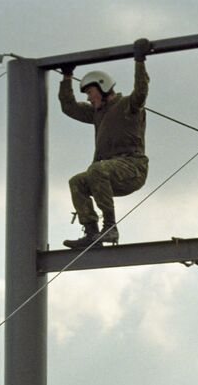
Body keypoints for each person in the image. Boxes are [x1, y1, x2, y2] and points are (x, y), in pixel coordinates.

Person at [57, 38, 152, 249]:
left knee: (96, 170)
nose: (89, 99)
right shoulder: (97, 113)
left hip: (132, 167)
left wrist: (139, 61)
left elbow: (141, 92)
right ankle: (91, 232)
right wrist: (66, 77)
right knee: (77, 182)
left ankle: (109, 227)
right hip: (107, 173)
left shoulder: (128, 105)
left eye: (90, 93)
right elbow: (69, 107)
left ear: (103, 88)